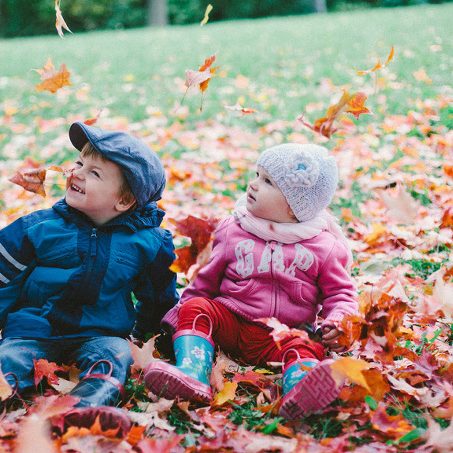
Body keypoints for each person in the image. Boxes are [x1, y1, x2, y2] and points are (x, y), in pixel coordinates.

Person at [0, 122, 179, 434]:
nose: (76, 173)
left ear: (124, 202)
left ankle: (84, 410)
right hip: (34, 330)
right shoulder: (37, 229)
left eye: (95, 173)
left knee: (116, 357)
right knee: (6, 361)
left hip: (100, 333)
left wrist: (154, 338)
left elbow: (158, 296)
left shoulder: (148, 243)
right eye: (78, 164)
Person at [144, 143, 358, 420]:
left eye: (267, 181)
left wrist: (339, 323)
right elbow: (207, 279)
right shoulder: (233, 230)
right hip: (230, 323)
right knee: (197, 307)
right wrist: (181, 312)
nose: (253, 184)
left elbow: (341, 294)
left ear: (295, 207)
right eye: (257, 175)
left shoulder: (324, 247)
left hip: (280, 337)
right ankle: (192, 373)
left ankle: (300, 389)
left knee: (306, 343)